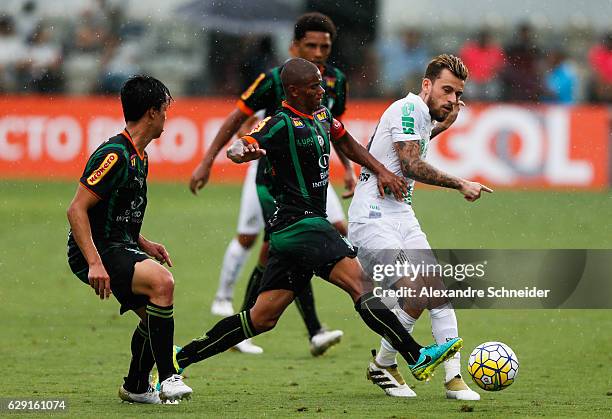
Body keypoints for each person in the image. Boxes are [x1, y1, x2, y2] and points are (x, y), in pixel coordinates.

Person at [174, 58, 463, 387]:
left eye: (321, 83)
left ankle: (180, 357)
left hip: (296, 232)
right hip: (301, 223)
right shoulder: (279, 123)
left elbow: (347, 143)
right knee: (361, 284)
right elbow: (245, 143)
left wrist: (380, 170)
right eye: (314, 86)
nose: (321, 89)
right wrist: (240, 152)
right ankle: (415, 355)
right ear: (294, 91)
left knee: (262, 318)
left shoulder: (323, 115)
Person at [189, 12, 354, 356]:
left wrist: (349, 170)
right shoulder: (273, 79)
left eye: (325, 46)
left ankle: (249, 324)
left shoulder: (336, 81)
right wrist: (207, 161)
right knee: (282, 243)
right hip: (273, 178)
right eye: (312, 45)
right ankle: (311, 330)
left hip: (315, 179)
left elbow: (332, 130)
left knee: (328, 231)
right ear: (295, 46)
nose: (320, 52)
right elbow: (237, 119)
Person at [347, 54, 490, 400]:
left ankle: (451, 379)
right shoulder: (407, 109)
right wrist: (460, 183)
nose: (452, 100)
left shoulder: (421, 115)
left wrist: (443, 124)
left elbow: (413, 146)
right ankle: (385, 364)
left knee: (436, 289)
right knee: (416, 289)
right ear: (426, 85)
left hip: (401, 214)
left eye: (457, 94)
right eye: (446, 90)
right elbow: (410, 163)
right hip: (372, 217)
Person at [66, 75, 192, 404]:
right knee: (163, 283)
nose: (168, 115)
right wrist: (94, 262)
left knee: (155, 322)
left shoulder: (140, 156)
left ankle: (136, 386)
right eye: (165, 108)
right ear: (151, 112)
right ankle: (168, 378)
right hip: (98, 250)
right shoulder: (115, 155)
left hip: (120, 244)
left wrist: (143, 242)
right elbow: (76, 210)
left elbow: (118, 210)